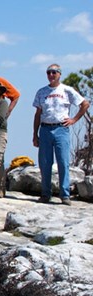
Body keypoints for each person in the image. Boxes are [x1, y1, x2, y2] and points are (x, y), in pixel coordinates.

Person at [32, 64, 90, 205]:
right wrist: (35, 134)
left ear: (59, 74)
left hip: (61, 129)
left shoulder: (67, 90)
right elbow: (38, 114)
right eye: (48, 73)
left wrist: (74, 120)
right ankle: (46, 194)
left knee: (63, 162)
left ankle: (65, 195)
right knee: (45, 163)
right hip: (45, 129)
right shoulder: (41, 92)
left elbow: (85, 104)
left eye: (54, 72)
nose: (51, 75)